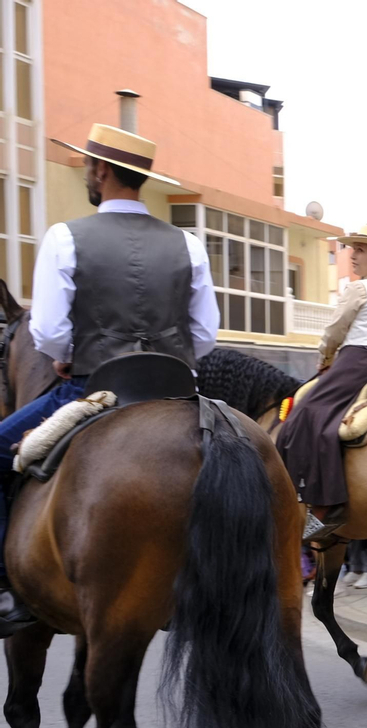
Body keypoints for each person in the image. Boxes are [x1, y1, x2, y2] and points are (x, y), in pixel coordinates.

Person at [0, 124, 218, 637]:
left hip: (94, 390)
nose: (86, 175)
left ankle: (9, 587)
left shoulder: (65, 237)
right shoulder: (188, 244)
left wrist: (63, 356)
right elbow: (205, 334)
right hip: (176, 393)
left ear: (100, 171)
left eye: (87, 168)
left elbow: (48, 332)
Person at [278, 226, 367, 540]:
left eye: (359, 250)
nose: (352, 255)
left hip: (352, 363)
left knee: (298, 420)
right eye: (351, 249)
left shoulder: (360, 289)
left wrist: (325, 359)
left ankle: (316, 504)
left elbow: (333, 332)